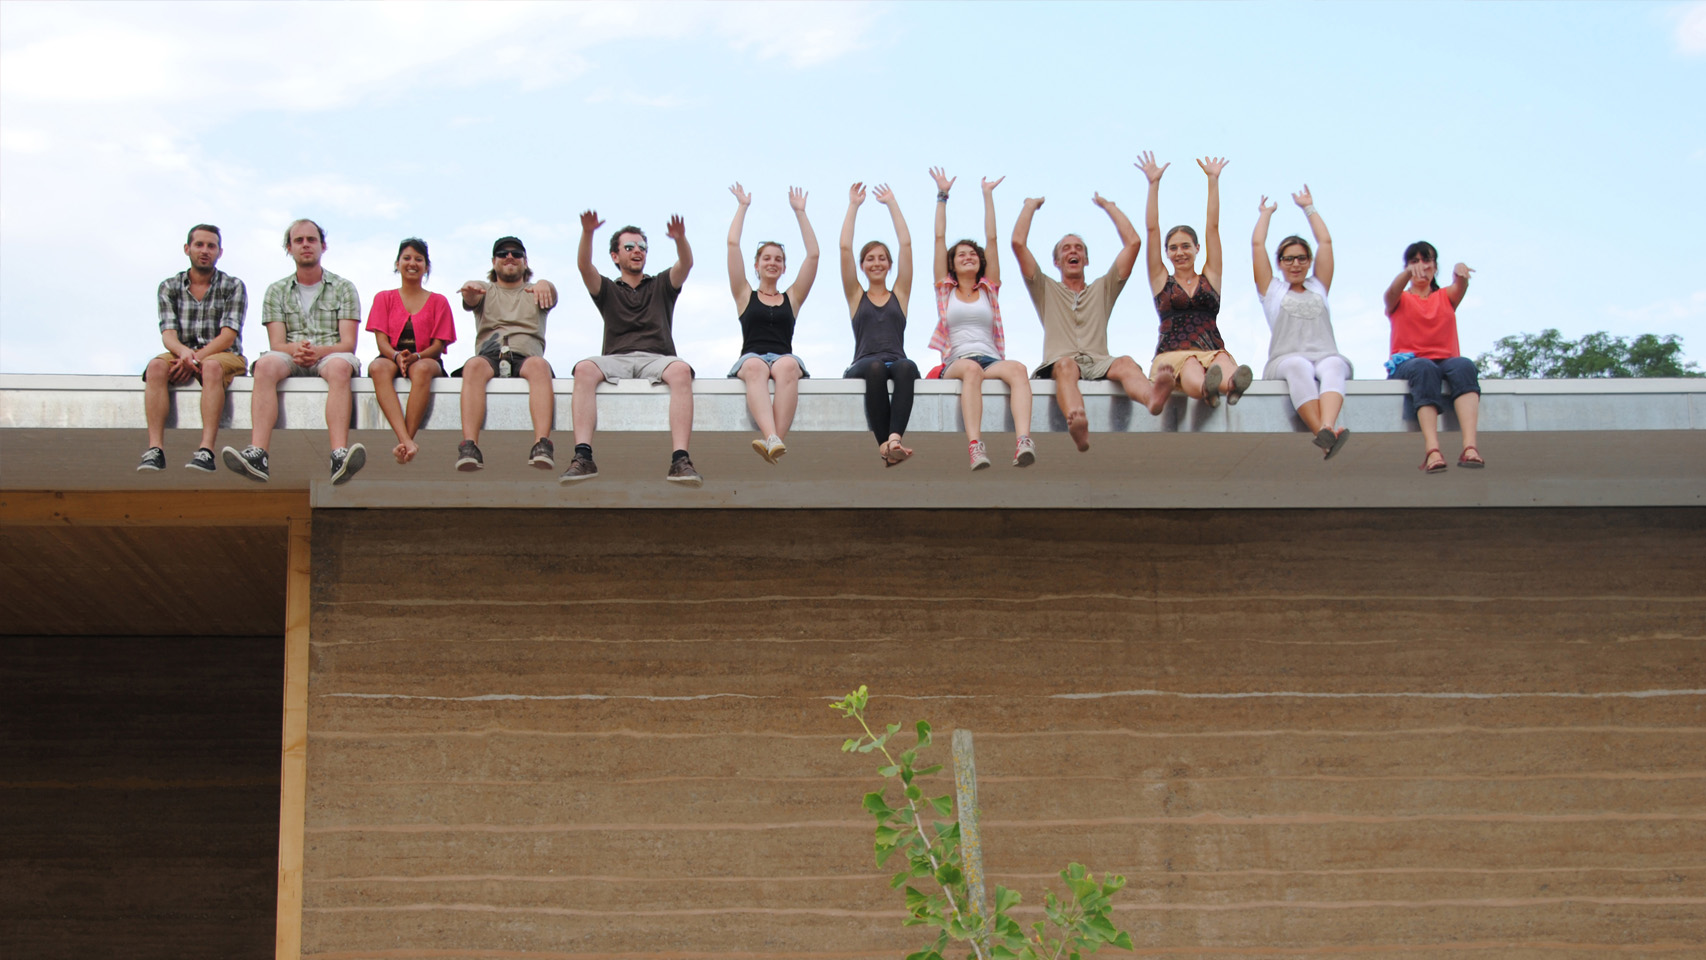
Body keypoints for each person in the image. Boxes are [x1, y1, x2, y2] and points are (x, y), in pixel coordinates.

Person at [1011, 188, 1165, 453]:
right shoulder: (1045, 288)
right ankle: (1077, 420)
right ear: (1057, 261)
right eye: (1066, 248)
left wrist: (1109, 205)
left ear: (1086, 259)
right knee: (1066, 366)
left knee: (1126, 362)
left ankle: (1152, 398)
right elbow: (1018, 243)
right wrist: (1030, 205)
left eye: (1079, 248)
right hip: (1062, 361)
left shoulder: (1103, 288)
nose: (1073, 251)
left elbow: (1133, 243)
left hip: (1099, 360)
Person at [222, 219, 364, 484]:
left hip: (330, 353)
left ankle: (339, 454)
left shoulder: (344, 287)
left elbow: (348, 344)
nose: (305, 245)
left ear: (323, 246)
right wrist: (297, 350)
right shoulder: (275, 290)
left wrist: (318, 352)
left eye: (311, 240)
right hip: (291, 353)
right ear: (289, 248)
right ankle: (258, 453)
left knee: (340, 367)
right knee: (264, 365)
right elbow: (277, 343)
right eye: (299, 240)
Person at [565, 212, 701, 486]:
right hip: (617, 358)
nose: (637, 250)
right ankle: (583, 457)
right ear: (615, 256)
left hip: (657, 358)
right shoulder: (607, 288)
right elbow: (584, 266)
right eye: (629, 247)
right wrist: (588, 232)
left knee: (681, 370)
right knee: (584, 369)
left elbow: (686, 264)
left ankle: (680, 460)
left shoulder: (661, 284)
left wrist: (680, 238)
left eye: (642, 247)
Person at [928, 167, 1034, 470]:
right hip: (958, 362)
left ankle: (1024, 441)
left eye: (972, 254)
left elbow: (992, 239)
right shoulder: (945, 291)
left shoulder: (989, 289)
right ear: (952, 263)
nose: (968, 257)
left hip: (990, 359)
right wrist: (942, 196)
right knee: (972, 370)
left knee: (1018, 369)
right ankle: (975, 446)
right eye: (961, 254)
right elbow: (939, 237)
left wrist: (987, 195)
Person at [1139, 151, 1253, 408]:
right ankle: (1206, 389)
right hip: (1173, 354)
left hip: (1211, 349)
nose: (1180, 252)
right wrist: (1153, 185)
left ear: (1197, 248)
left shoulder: (1210, 277)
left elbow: (1213, 227)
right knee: (1190, 363)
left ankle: (1231, 385)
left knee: (1221, 360)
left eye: (1186, 246)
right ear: (1166, 253)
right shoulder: (1161, 280)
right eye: (1173, 248)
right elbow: (1152, 230)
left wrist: (1213, 180)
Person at [1253, 186, 1352, 459]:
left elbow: (1326, 243)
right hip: (1285, 360)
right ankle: (1322, 433)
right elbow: (1257, 246)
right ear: (1279, 263)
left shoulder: (1318, 286)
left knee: (1335, 364)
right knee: (1299, 365)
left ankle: (1327, 428)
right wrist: (1265, 214)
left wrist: (1309, 208)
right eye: (1288, 259)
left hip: (1324, 356)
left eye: (1301, 258)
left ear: (1309, 262)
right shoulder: (1272, 290)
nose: (1295, 264)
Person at [140, 224, 248, 473]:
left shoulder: (232, 285)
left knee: (211, 367)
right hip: (182, 352)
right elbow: (168, 334)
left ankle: (206, 450)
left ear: (220, 252)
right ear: (187, 249)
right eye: (199, 245)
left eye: (211, 246)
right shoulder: (169, 286)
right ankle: (155, 449)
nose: (205, 250)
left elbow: (228, 336)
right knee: (155, 366)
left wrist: (195, 359)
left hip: (224, 355)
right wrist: (185, 354)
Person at [725, 183, 820, 463]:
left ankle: (774, 441)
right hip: (752, 358)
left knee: (789, 365)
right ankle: (772, 438)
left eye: (778, 259)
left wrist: (800, 212)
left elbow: (813, 256)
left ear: (784, 267)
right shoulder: (745, 294)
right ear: (756, 265)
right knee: (755, 365)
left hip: (782, 358)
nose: (772, 262)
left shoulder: (793, 297)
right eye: (766, 258)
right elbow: (732, 245)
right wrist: (742, 207)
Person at [453, 237, 558, 471]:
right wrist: (469, 289)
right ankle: (469, 445)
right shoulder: (485, 289)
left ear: (525, 261)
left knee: (540, 366)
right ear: (494, 261)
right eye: (503, 253)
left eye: (516, 253)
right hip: (490, 354)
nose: (509, 256)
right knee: (473, 366)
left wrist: (545, 283)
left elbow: (551, 292)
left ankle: (542, 443)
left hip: (525, 355)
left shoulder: (536, 290)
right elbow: (471, 295)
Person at [838, 182, 919, 466]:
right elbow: (844, 248)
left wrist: (892, 204)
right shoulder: (856, 296)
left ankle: (894, 440)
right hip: (864, 364)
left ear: (890, 265)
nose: (877, 263)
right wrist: (853, 205)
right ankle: (884, 444)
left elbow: (906, 245)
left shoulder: (900, 295)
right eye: (870, 259)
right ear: (862, 266)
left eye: (882, 258)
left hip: (895, 361)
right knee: (875, 367)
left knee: (907, 367)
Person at [1383, 241, 1481, 473]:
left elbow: (1460, 285)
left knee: (1464, 366)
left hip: (1446, 361)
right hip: (1410, 363)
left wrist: (1460, 272)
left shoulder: (1445, 296)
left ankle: (1470, 447)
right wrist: (1407, 274)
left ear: (1435, 267)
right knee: (1424, 368)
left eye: (1426, 261)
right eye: (1414, 261)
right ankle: (1432, 450)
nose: (1421, 266)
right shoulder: (1400, 299)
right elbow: (1390, 293)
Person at [367, 238, 455, 465]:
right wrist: (396, 356)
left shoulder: (439, 301)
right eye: (406, 258)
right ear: (397, 264)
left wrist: (416, 356)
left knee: (421, 369)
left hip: (426, 358)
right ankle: (406, 441)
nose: (412, 263)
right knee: (377, 367)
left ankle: (406, 441)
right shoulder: (383, 298)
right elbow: (381, 341)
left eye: (419, 259)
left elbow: (438, 346)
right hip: (390, 356)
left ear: (426, 266)